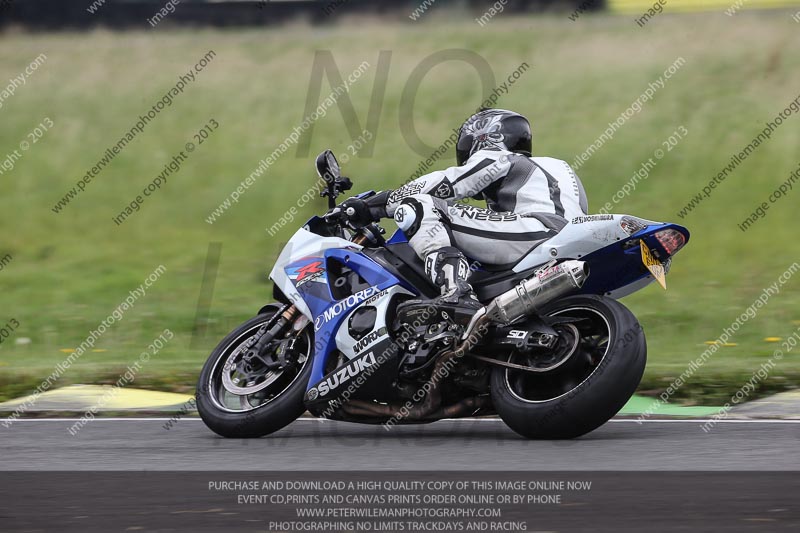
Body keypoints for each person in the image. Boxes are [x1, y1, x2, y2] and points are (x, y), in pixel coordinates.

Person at [342, 108, 589, 324]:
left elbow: (449, 184)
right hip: (560, 239)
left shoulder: (500, 156)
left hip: (535, 232)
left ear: (486, 136)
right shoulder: (557, 167)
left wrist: (376, 204)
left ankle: (456, 292)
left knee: (416, 205)